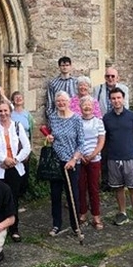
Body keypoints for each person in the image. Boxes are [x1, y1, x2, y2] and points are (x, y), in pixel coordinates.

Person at [103, 87, 133, 230]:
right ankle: (122, 212)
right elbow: (105, 137)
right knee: (118, 188)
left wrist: (130, 145)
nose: (116, 101)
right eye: (113, 98)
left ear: (123, 99)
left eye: (118, 98)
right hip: (113, 158)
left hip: (129, 157)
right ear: (110, 101)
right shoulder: (107, 118)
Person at [0, 101, 30, 242]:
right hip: (0, 169)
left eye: (5, 111)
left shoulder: (17, 126)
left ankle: (14, 229)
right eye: (0, 111)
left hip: (15, 168)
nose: (3, 114)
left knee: (13, 199)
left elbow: (26, 147)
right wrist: (4, 159)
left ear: (10, 112)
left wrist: (15, 160)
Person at [43, 91, 84, 236]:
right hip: (56, 161)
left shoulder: (77, 119)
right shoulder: (53, 118)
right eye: (58, 101)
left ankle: (76, 225)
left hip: (71, 162)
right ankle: (56, 224)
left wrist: (73, 159)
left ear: (69, 102)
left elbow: (81, 143)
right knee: (55, 195)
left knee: (72, 194)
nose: (61, 103)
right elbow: (51, 135)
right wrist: (49, 138)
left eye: (63, 101)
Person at [77, 96, 105, 230]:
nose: (87, 107)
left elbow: (101, 140)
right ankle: (82, 213)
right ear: (80, 107)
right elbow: (75, 140)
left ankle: (96, 216)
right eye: (84, 105)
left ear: (93, 107)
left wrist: (92, 155)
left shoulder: (98, 122)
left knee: (94, 188)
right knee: (81, 187)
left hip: (94, 159)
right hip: (80, 159)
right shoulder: (77, 121)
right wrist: (81, 155)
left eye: (89, 105)